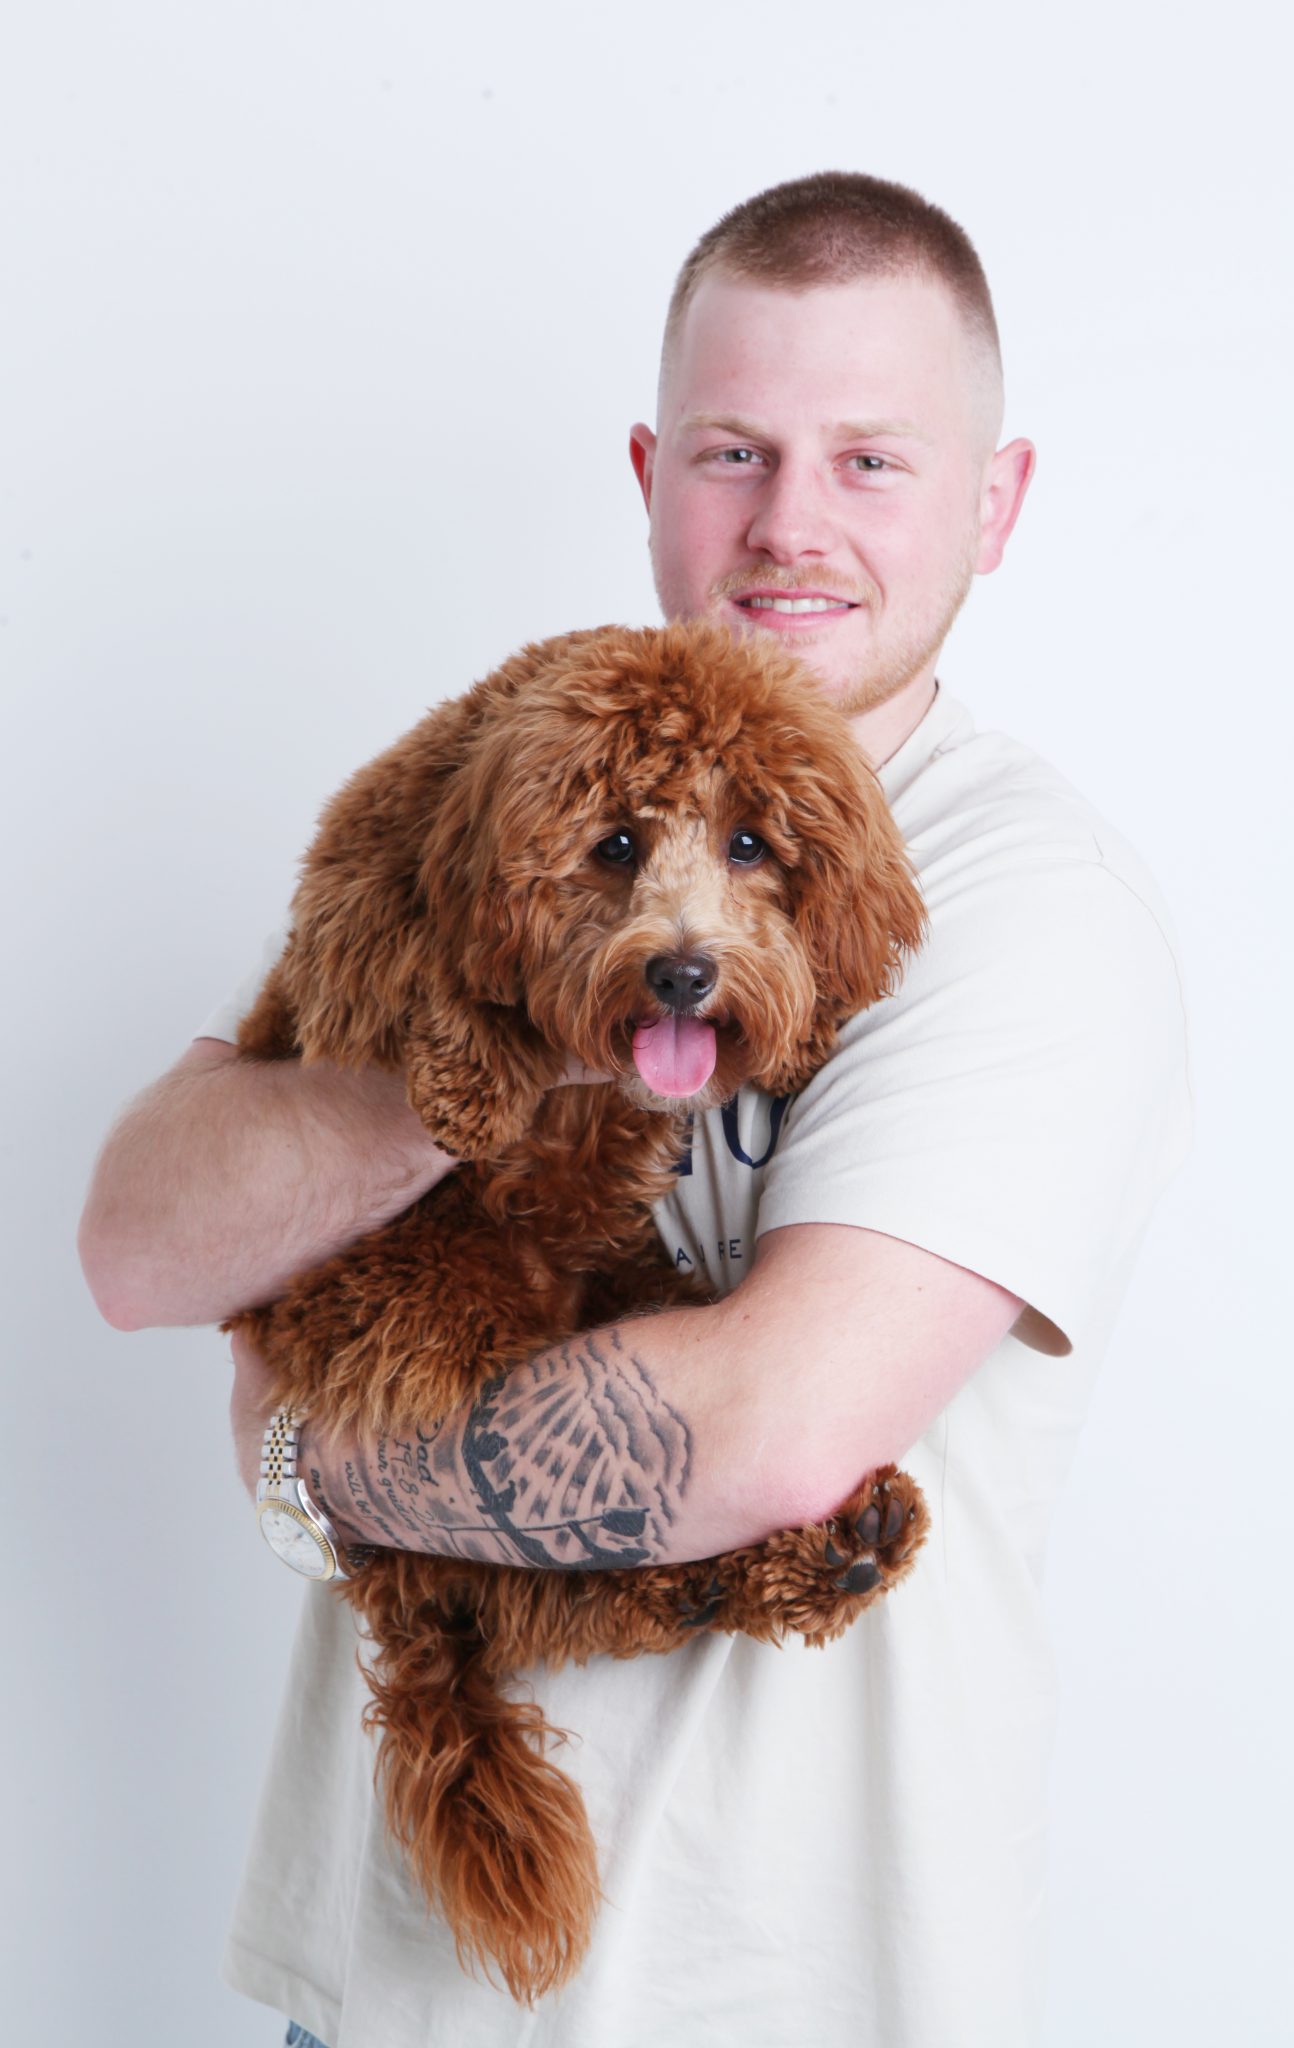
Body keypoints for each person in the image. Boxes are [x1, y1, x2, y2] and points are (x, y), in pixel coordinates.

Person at [79, 172, 1191, 2047]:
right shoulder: (505, 790)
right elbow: (137, 1245)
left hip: (771, 1995)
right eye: (735, 451)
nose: (791, 523)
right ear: (650, 473)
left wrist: (306, 1461)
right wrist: (498, 1052)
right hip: (385, 1983)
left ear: (995, 504)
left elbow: (763, 1438)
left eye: (872, 462)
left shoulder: (1029, 905)